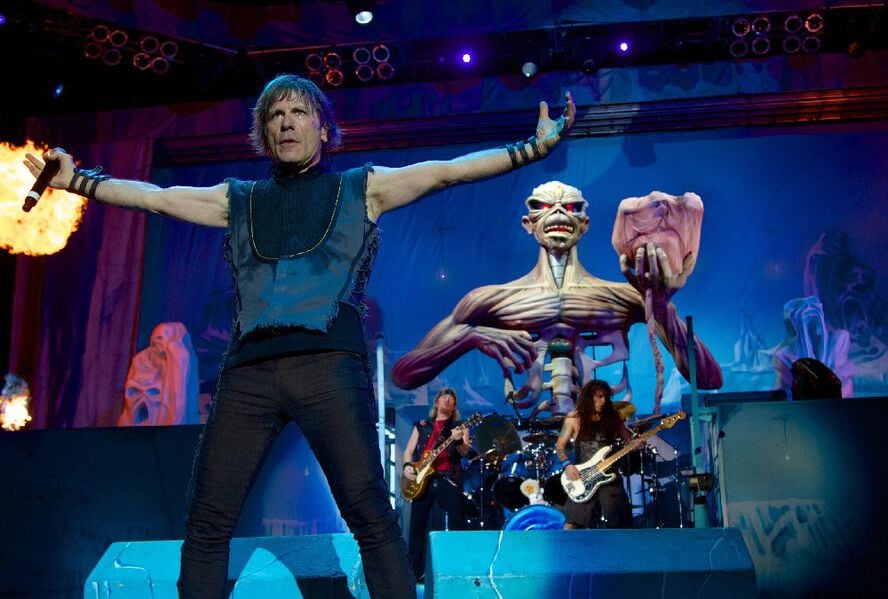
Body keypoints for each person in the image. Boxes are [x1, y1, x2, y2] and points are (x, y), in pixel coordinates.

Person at [23, 74, 575, 598]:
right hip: (248, 375)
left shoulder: (362, 189)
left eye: (298, 112)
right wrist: (78, 181)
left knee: (369, 514)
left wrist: (531, 149)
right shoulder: (237, 199)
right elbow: (156, 197)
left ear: (323, 128)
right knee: (207, 522)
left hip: (328, 369)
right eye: (275, 115)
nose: (286, 122)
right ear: (264, 133)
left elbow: (447, 171)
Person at [391, 182, 722, 416]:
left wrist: (661, 306)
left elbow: (708, 378)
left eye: (572, 208)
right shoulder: (491, 300)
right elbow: (404, 376)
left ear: (585, 224)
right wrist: (470, 338)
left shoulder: (622, 298)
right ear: (528, 223)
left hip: (600, 432)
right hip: (531, 432)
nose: (560, 214)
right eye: (545, 207)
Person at [401, 387, 471, 582]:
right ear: (436, 402)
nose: (447, 399)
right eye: (444, 396)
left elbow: (464, 451)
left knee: (458, 521)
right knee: (417, 526)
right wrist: (407, 467)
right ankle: (414, 573)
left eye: (451, 398)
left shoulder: (460, 426)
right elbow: (408, 451)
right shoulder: (422, 426)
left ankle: (461, 570)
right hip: (423, 479)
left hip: (447, 478)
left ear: (454, 405)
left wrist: (458, 441)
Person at [556, 379, 637, 529]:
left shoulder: (613, 418)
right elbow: (560, 447)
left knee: (622, 523)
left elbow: (628, 441)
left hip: (609, 474)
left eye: (605, 397)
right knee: (571, 525)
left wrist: (636, 444)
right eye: (599, 397)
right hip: (583, 477)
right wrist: (567, 465)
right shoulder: (574, 419)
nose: (603, 401)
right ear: (589, 398)